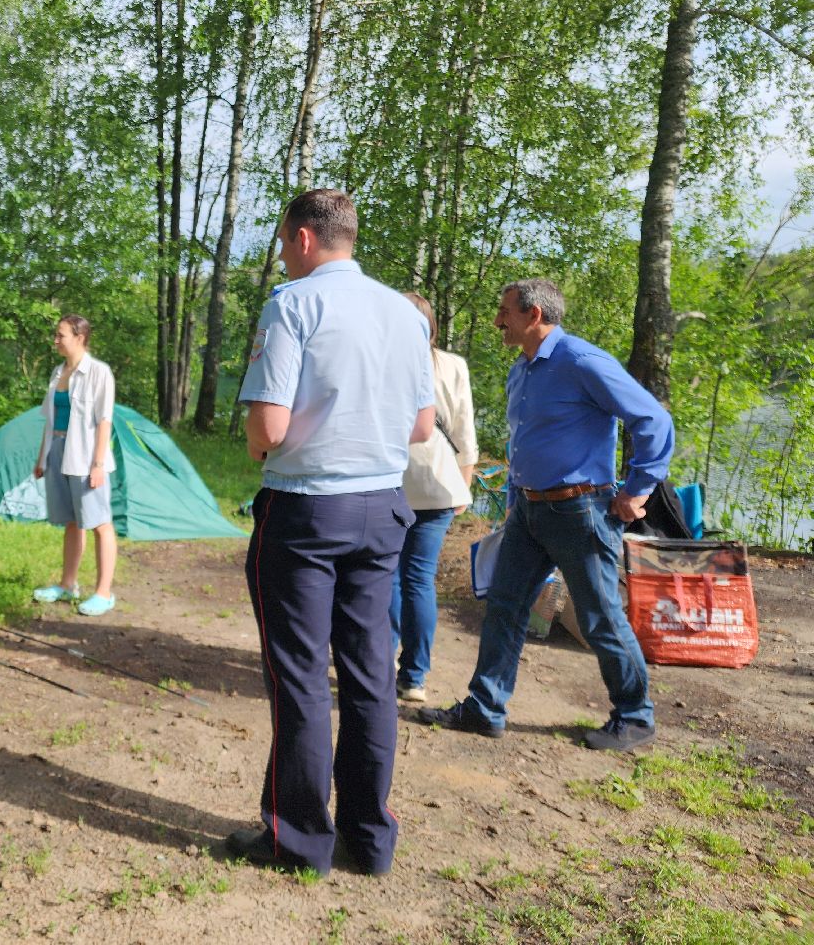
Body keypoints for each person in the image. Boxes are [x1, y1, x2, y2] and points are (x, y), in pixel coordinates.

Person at [226, 189, 435, 879]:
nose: (283, 257)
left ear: (306, 239)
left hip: (307, 512)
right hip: (383, 508)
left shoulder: (294, 304)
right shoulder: (405, 316)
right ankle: (370, 839)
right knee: (372, 677)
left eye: (284, 244)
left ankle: (300, 841)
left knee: (301, 680)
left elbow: (268, 429)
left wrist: (266, 444)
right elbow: (421, 427)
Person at [416, 279, 674, 751]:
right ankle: (484, 708)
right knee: (504, 606)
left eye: (505, 312)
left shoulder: (582, 361)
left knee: (599, 618)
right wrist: (515, 501)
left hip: (581, 512)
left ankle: (635, 717)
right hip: (528, 512)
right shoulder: (524, 369)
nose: (498, 321)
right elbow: (525, 443)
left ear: (534, 314)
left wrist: (638, 489)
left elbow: (653, 421)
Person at [389, 292, 479, 704]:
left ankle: (380, 658)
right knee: (419, 579)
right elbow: (464, 433)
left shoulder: (382, 359)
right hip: (440, 484)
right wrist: (465, 482)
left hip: (388, 479)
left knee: (387, 575)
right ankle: (414, 677)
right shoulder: (453, 365)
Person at [31, 314, 120, 616]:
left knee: (99, 523)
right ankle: (67, 584)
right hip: (58, 451)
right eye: (55, 335)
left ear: (80, 337)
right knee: (71, 521)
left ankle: (104, 592)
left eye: (60, 335)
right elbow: (49, 419)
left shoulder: (98, 372)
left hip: (85, 457)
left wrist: (98, 464)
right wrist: (42, 457)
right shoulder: (58, 372)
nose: (55, 340)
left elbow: (104, 421)